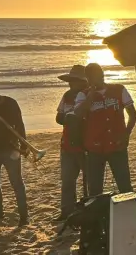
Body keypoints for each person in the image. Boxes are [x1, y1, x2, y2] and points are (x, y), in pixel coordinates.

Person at [74, 63, 136, 196]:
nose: (93, 79)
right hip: (94, 148)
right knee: (95, 189)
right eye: (90, 77)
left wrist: (127, 133)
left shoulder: (119, 89)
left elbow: (132, 114)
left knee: (124, 185)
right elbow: (78, 114)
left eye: (96, 75)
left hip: (117, 145)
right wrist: (90, 98)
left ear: (102, 74)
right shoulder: (83, 95)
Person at [53, 65, 88, 222]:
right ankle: (67, 211)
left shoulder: (88, 96)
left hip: (85, 145)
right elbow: (58, 117)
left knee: (88, 181)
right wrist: (68, 117)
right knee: (67, 181)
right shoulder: (67, 96)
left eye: (74, 81)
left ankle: (88, 211)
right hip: (67, 144)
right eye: (70, 81)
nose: (70, 84)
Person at [0, 88, 29, 226]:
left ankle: (24, 216)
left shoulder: (10, 103)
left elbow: (19, 124)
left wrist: (24, 145)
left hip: (10, 150)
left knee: (17, 183)